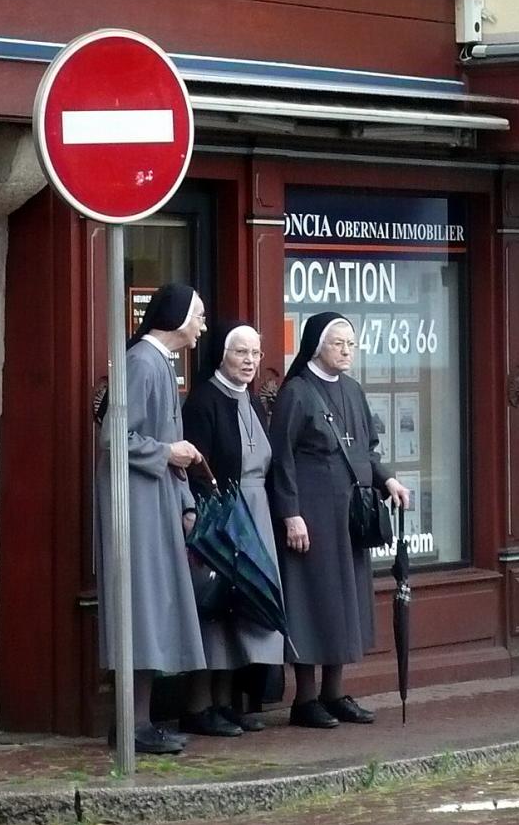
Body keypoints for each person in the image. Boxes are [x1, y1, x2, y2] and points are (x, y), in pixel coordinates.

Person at [270, 312, 410, 729]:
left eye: (352, 344)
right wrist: (291, 514)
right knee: (313, 601)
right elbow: (282, 459)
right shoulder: (296, 393)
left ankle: (334, 692)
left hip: (350, 515)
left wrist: (388, 480)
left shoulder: (352, 389)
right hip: (312, 515)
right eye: (339, 343)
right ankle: (306, 699)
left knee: (344, 603)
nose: (347, 351)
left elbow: (366, 449)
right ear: (316, 346)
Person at [94, 283, 208, 754]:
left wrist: (184, 504)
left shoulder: (159, 363)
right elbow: (114, 437)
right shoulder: (143, 361)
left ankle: (140, 721)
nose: (202, 324)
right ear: (177, 315)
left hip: (156, 502)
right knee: (138, 609)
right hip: (136, 507)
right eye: (198, 315)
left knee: (150, 611)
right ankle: (131, 725)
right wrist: (169, 452)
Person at [180, 320, 284, 737]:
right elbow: (196, 468)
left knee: (242, 611)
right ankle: (198, 706)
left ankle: (227, 703)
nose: (250, 361)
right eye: (242, 352)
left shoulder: (255, 402)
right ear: (222, 354)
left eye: (256, 354)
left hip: (256, 515)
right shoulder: (203, 402)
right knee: (215, 610)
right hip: (222, 517)